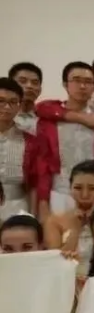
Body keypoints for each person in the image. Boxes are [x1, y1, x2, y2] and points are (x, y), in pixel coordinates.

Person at [34, 62, 94, 217]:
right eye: (77, 80)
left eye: (88, 82)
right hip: (60, 193)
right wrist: (43, 202)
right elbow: (43, 164)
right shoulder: (49, 121)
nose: (82, 86)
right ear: (65, 84)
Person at [43, 161, 94, 273]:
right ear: (70, 188)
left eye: (92, 188)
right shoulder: (54, 221)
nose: (84, 195)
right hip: (67, 277)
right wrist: (76, 227)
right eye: (78, 188)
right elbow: (56, 263)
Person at [0, 78, 38, 219]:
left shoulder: (30, 141)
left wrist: (32, 216)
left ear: (19, 105)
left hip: (18, 207)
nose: (7, 107)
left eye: (13, 102)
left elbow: (34, 183)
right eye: (1, 101)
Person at [8, 61, 42, 135]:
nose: (29, 86)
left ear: (40, 89)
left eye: (35, 82)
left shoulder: (46, 120)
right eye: (22, 81)